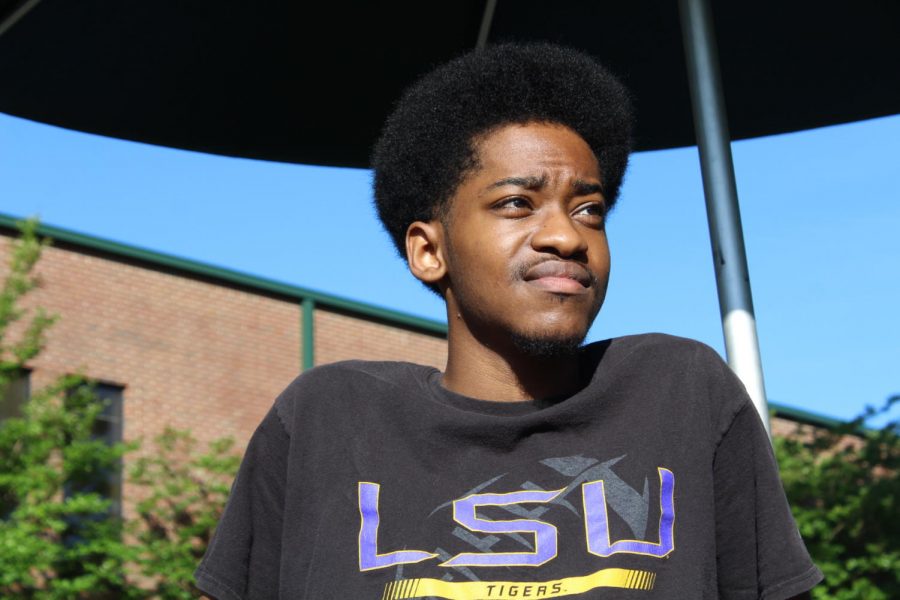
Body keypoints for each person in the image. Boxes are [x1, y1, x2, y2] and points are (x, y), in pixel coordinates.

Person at [195, 43, 822, 600]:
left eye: (590, 209)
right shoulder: (326, 421)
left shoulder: (680, 391)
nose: (566, 235)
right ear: (429, 250)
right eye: (517, 203)